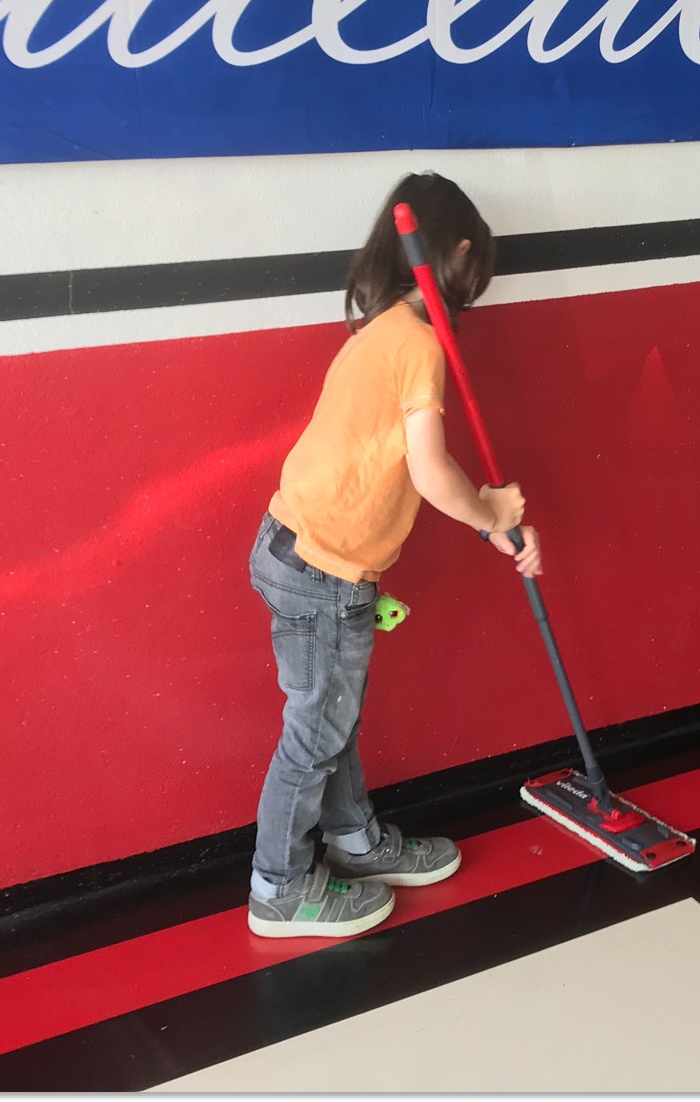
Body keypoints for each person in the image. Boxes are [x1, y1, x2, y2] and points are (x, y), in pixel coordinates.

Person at [245, 172, 544, 939]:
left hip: (303, 552)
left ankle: (351, 844)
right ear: (463, 256)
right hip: (323, 567)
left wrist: (489, 524)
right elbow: (431, 471)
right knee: (316, 731)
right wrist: (492, 512)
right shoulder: (414, 343)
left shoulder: (380, 330)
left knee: (332, 720)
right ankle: (277, 888)